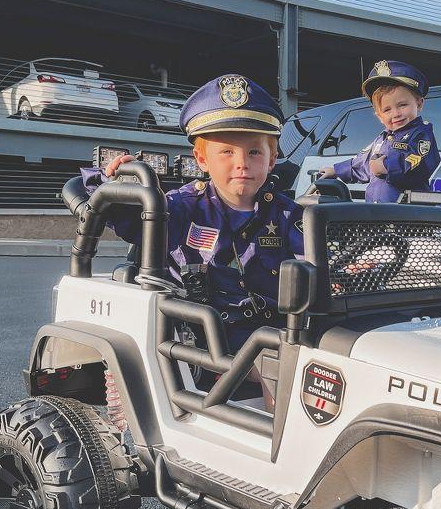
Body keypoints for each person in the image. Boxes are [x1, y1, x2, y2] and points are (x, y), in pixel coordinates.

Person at [81, 74, 304, 356]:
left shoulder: (285, 213)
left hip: (277, 332)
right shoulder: (179, 208)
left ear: (272, 160)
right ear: (202, 160)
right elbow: (115, 209)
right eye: (226, 152)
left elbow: (314, 259)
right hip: (205, 342)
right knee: (283, 369)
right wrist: (113, 177)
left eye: (254, 152)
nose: (241, 164)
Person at [318, 60, 440, 203]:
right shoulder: (381, 140)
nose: (396, 113)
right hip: (377, 215)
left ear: (419, 104)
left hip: (408, 216)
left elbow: (419, 161)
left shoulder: (421, 134)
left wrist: (386, 166)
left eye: (402, 105)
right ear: (380, 116)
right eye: (387, 110)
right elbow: (362, 163)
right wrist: (336, 170)